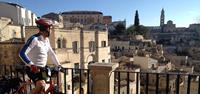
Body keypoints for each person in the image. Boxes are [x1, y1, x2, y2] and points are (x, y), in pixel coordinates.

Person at [19, 18, 61, 94]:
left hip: (43, 70)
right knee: (41, 85)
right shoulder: (34, 39)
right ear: (46, 29)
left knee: (44, 88)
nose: (50, 30)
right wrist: (31, 65)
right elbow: (22, 53)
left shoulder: (46, 40)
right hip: (32, 69)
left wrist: (58, 65)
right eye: (50, 28)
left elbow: (51, 53)